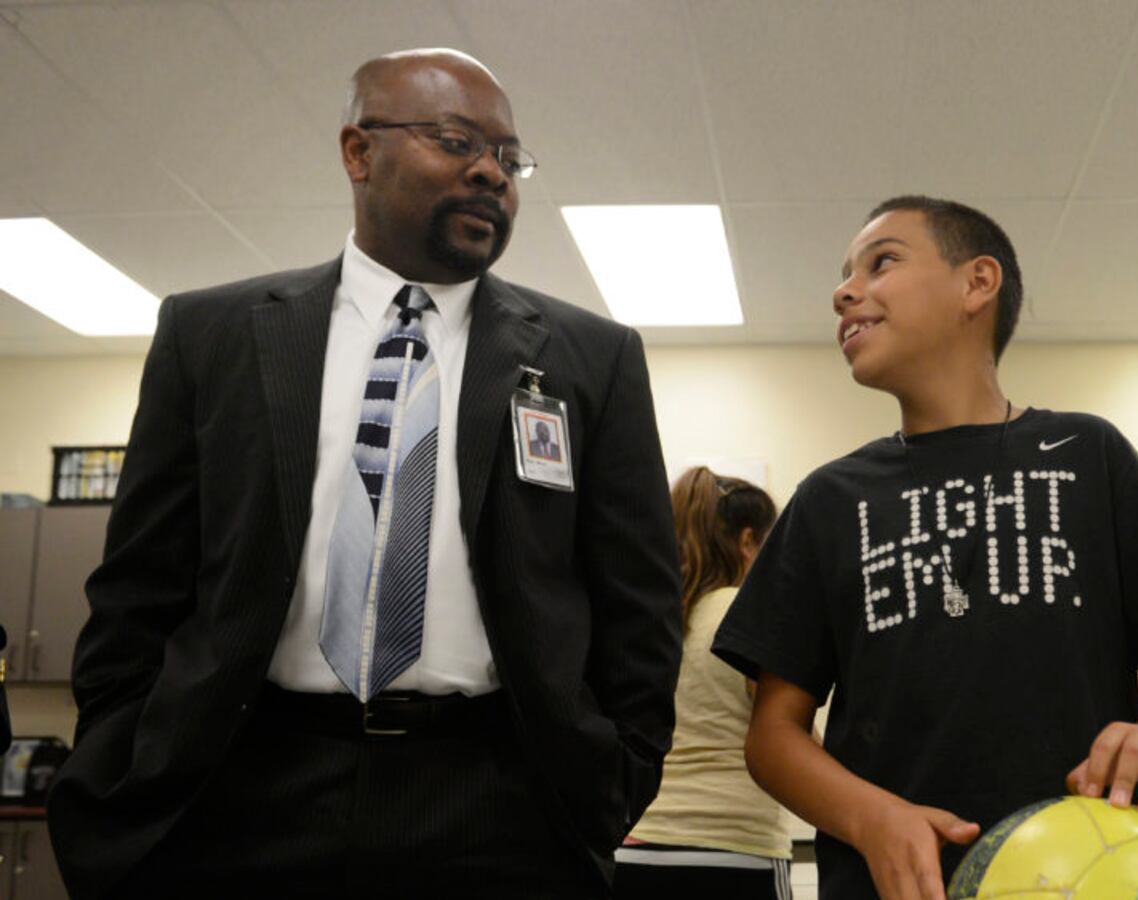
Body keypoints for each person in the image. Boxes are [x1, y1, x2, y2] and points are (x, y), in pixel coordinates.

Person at [48, 49, 682, 899]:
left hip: (499, 805)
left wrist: (618, 769)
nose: (491, 173)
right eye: (457, 141)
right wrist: (120, 747)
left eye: (509, 157)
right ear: (359, 151)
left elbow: (638, 602)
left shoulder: (591, 359)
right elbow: (139, 584)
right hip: (243, 789)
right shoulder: (215, 335)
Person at [712, 196, 1138, 900]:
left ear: (977, 284)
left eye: (882, 261)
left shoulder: (1089, 454)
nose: (843, 291)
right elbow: (773, 735)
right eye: (844, 275)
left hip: (1088, 876)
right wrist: (872, 819)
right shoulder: (829, 498)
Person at [614, 467, 792, 898]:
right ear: (748, 541)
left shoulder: (650, 621)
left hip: (636, 848)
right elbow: (789, 737)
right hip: (734, 848)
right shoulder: (746, 612)